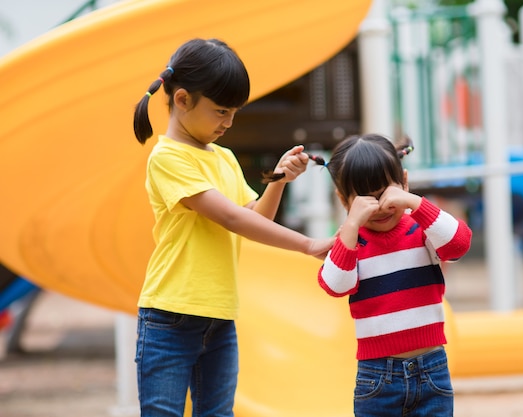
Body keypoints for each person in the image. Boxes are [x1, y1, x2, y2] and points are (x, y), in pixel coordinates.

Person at [132, 38, 334, 417]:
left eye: (234, 112)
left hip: (220, 317)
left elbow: (254, 219)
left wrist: (278, 179)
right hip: (169, 318)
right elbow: (230, 218)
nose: (228, 122)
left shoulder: (222, 157)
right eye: (221, 110)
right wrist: (308, 245)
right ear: (182, 100)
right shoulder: (167, 158)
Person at [316, 134, 472, 417]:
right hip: (376, 378)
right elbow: (335, 285)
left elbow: (459, 243)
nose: (380, 206)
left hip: (432, 369)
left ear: (403, 182)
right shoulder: (350, 243)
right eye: (365, 199)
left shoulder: (423, 229)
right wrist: (351, 226)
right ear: (343, 199)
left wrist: (414, 202)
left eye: (386, 192)